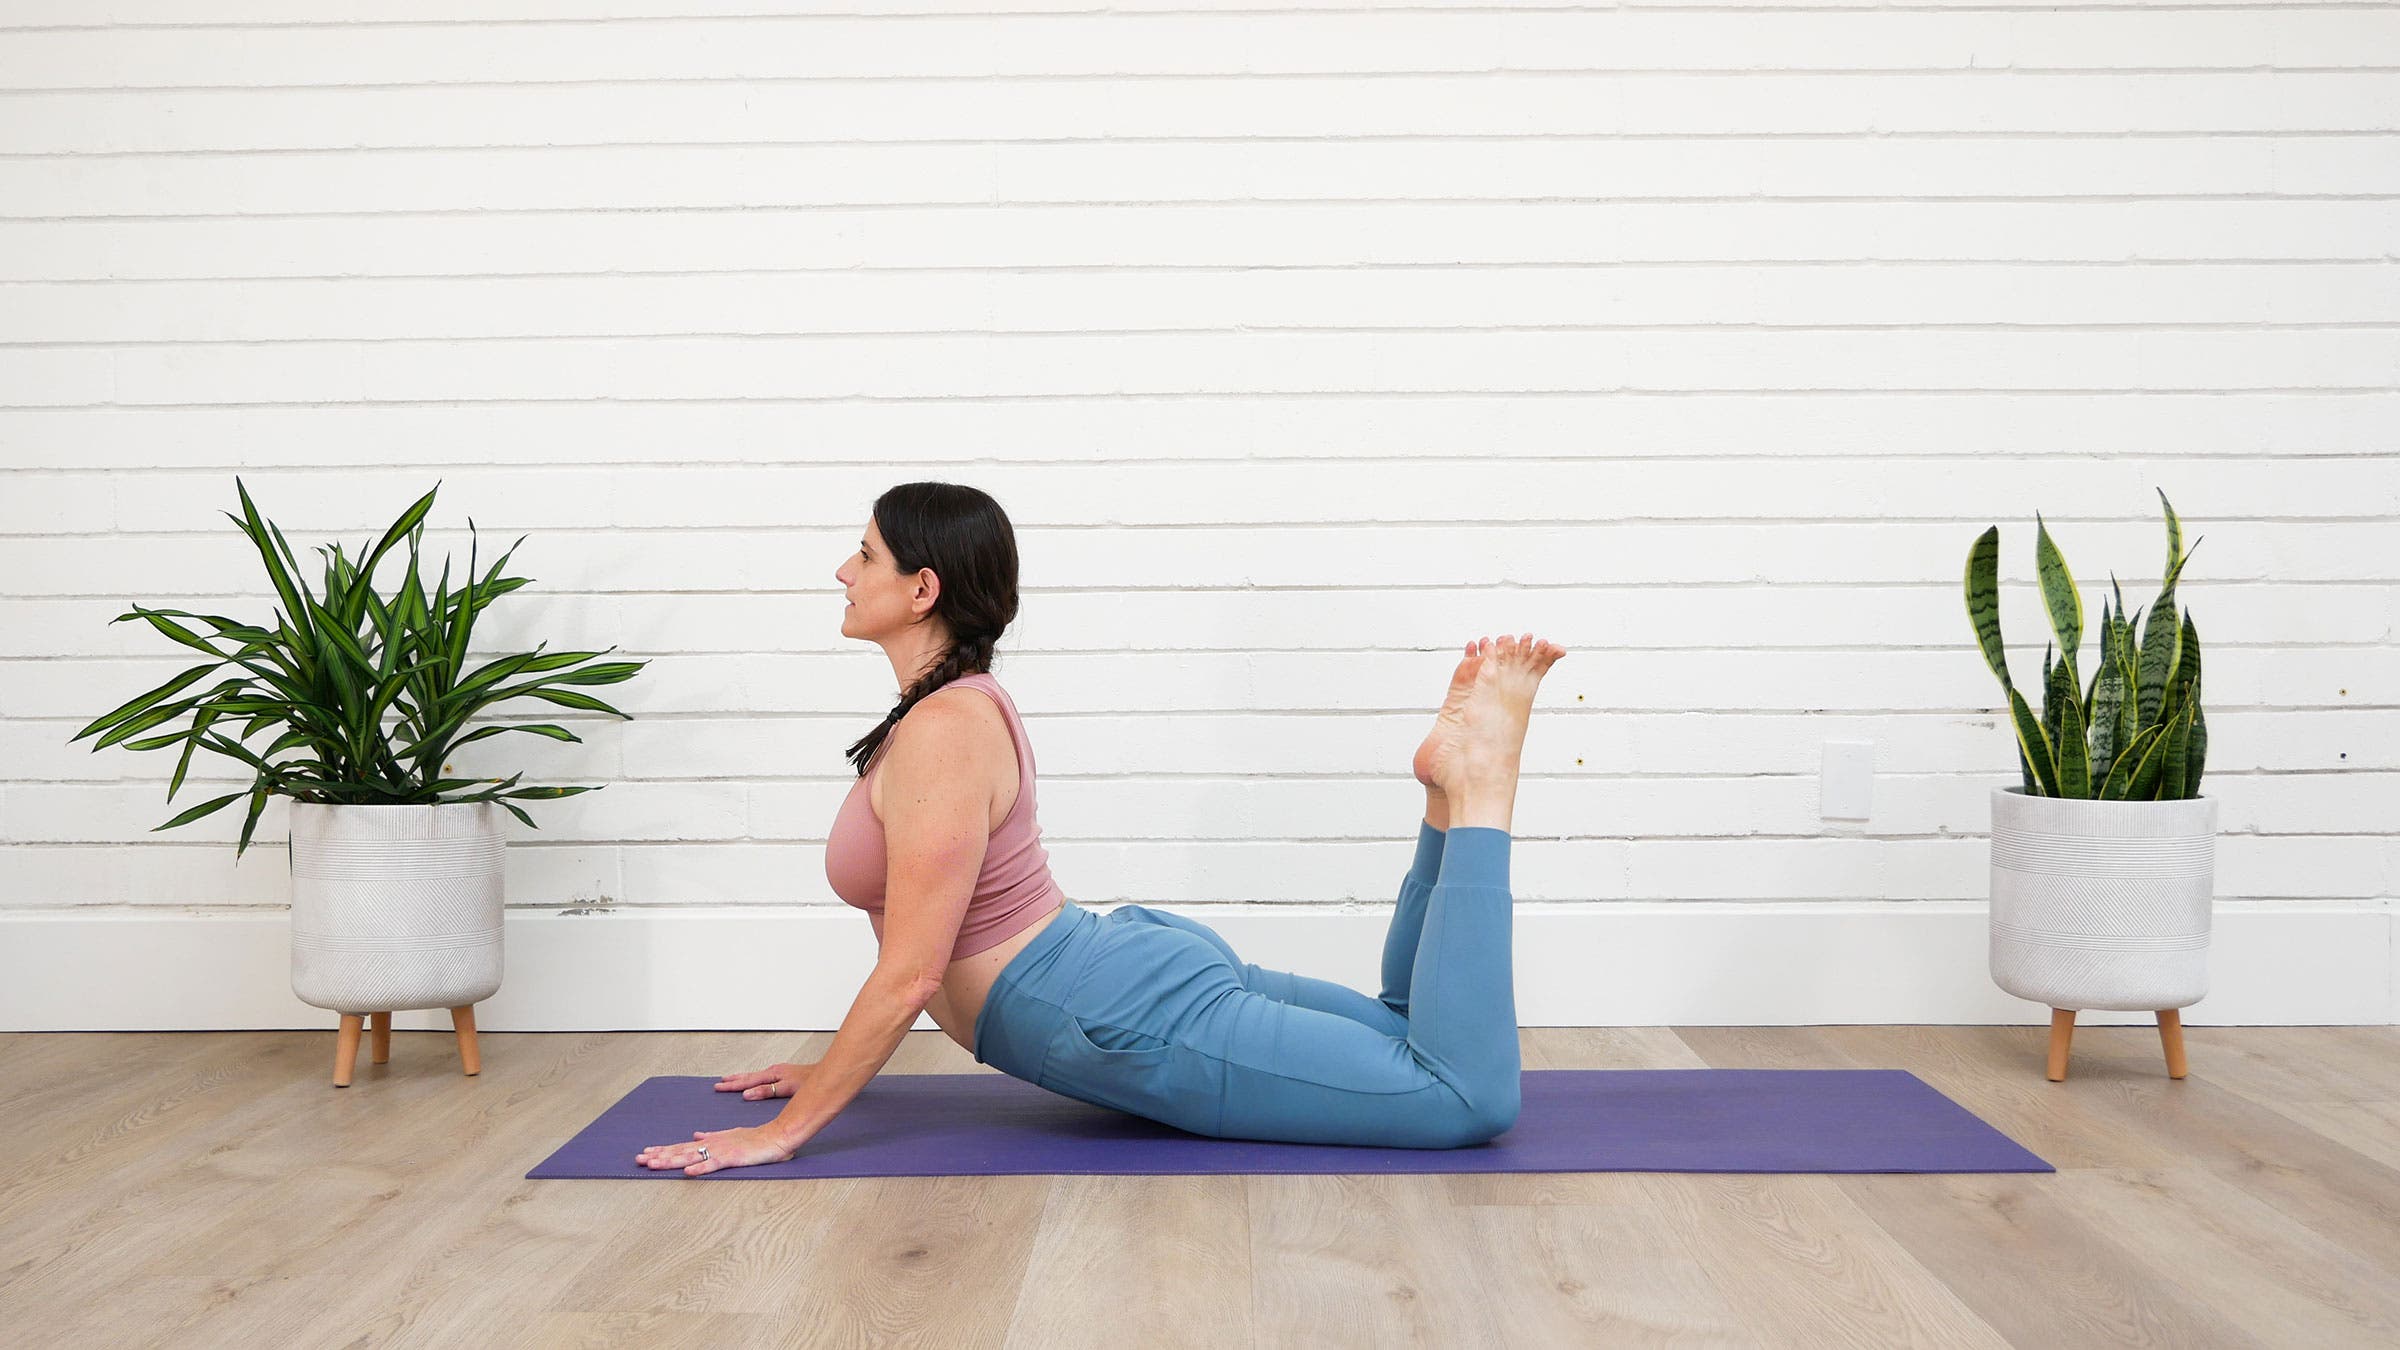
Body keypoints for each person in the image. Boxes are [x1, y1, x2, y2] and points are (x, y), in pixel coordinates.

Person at [639, 482, 1564, 1173]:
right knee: (1414, 1025)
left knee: (1464, 1095)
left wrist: (787, 1130)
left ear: (921, 589)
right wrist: (842, 1068)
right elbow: (929, 940)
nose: (844, 570)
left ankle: (1481, 796)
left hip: (1118, 1014)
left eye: (866, 553)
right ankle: (1447, 799)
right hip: (1113, 978)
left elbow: (917, 965)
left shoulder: (944, 730)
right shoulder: (950, 706)